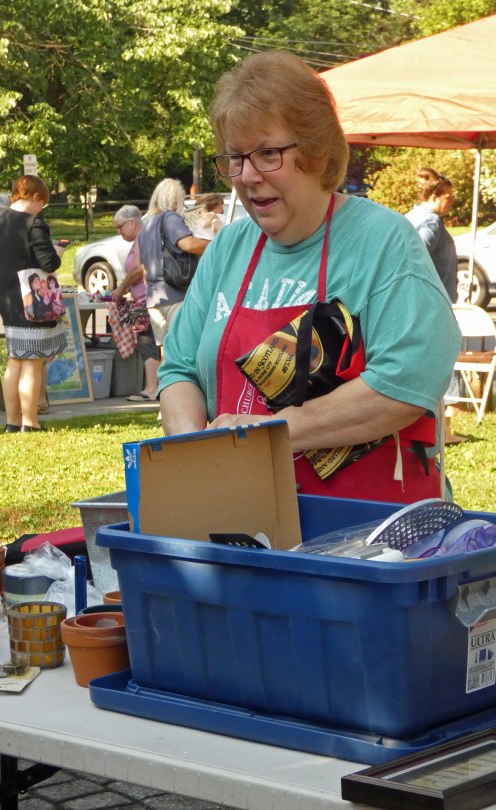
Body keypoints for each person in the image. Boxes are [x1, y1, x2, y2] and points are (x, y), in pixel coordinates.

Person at [157, 51, 461, 503]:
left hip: (376, 528)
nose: (247, 175)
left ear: (317, 151)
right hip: (249, 519)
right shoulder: (227, 249)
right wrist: (197, 452)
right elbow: (179, 369)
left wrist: (270, 433)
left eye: (268, 154)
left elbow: (407, 382)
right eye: (235, 157)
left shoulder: (383, 242)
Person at [0, 174, 67, 432]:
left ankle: (12, 422)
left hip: (8, 299)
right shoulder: (34, 223)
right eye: (42, 202)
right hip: (33, 301)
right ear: (34, 197)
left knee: (14, 362)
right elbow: (48, 263)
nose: (42, 207)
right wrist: (58, 252)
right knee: (33, 362)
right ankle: (30, 422)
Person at [137, 178, 210, 349]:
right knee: (182, 348)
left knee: (166, 351)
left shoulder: (146, 225)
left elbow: (142, 267)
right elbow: (188, 244)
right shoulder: (171, 218)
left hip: (154, 298)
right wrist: (215, 242)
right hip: (175, 295)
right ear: (175, 199)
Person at [110, 205, 161, 400]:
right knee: (151, 341)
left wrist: (122, 287)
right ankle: (154, 386)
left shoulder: (142, 237)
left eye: (120, 226)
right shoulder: (145, 237)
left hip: (146, 299)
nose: (118, 231)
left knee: (146, 341)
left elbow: (138, 268)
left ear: (132, 222)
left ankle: (151, 388)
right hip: (146, 297)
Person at [405, 168, 458, 303]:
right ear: (434, 198)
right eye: (448, 198)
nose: (452, 201)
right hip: (432, 301)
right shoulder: (431, 222)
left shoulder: (412, 215)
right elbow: (414, 257)